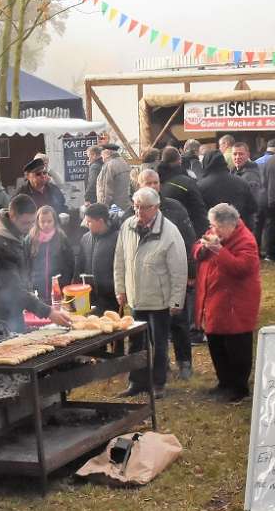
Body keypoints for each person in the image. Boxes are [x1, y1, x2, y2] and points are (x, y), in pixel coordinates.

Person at [114, 187, 186, 398]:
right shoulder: (127, 226)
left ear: (156, 207)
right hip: (136, 296)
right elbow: (120, 260)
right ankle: (137, 382)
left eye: (144, 208)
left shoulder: (170, 232)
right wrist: (120, 288)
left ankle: (158, 383)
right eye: (136, 207)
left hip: (159, 300)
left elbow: (179, 270)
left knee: (159, 343)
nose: (138, 212)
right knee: (136, 342)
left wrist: (176, 301)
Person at [193, 203, 260, 402]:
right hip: (214, 299)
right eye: (212, 226)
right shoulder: (214, 233)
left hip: (236, 304)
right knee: (215, 341)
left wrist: (218, 250)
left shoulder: (246, 241)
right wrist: (203, 249)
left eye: (217, 227)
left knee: (237, 346)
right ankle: (224, 382)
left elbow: (241, 268)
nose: (214, 231)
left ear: (230, 224)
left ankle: (239, 387)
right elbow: (197, 248)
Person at [136, 168, 198, 377]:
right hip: (148, 281)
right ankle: (162, 363)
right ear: (139, 185)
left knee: (179, 320)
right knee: (154, 326)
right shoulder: (132, 214)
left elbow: (189, 240)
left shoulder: (174, 207)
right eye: (148, 183)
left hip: (173, 273)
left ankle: (184, 361)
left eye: (155, 182)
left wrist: (191, 270)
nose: (153, 186)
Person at [0, 195, 68, 334]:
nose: (30, 227)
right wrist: (48, 311)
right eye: (26, 223)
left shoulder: (12, 235)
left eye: (32, 222)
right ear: (12, 217)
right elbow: (12, 290)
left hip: (11, 308)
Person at [77, 203, 122, 314]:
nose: (86, 224)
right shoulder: (85, 238)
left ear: (101, 221)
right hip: (88, 298)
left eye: (89, 222)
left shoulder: (118, 238)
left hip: (112, 300)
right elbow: (79, 268)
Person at [25, 205, 75, 302]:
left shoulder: (61, 238)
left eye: (49, 221)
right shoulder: (30, 239)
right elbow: (25, 263)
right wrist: (29, 285)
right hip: (36, 291)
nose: (46, 224)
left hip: (59, 289)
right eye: (42, 222)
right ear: (37, 222)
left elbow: (70, 264)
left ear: (54, 221)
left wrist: (64, 284)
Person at [230, 141, 264, 233]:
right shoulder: (233, 172)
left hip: (246, 223)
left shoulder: (251, 175)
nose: (237, 157)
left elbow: (254, 203)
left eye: (241, 154)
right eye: (235, 154)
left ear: (248, 155)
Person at [96, 143, 134, 212]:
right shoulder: (124, 163)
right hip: (126, 206)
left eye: (102, 154)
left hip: (114, 208)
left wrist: (102, 209)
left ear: (107, 153)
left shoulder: (109, 165)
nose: (102, 157)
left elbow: (105, 190)